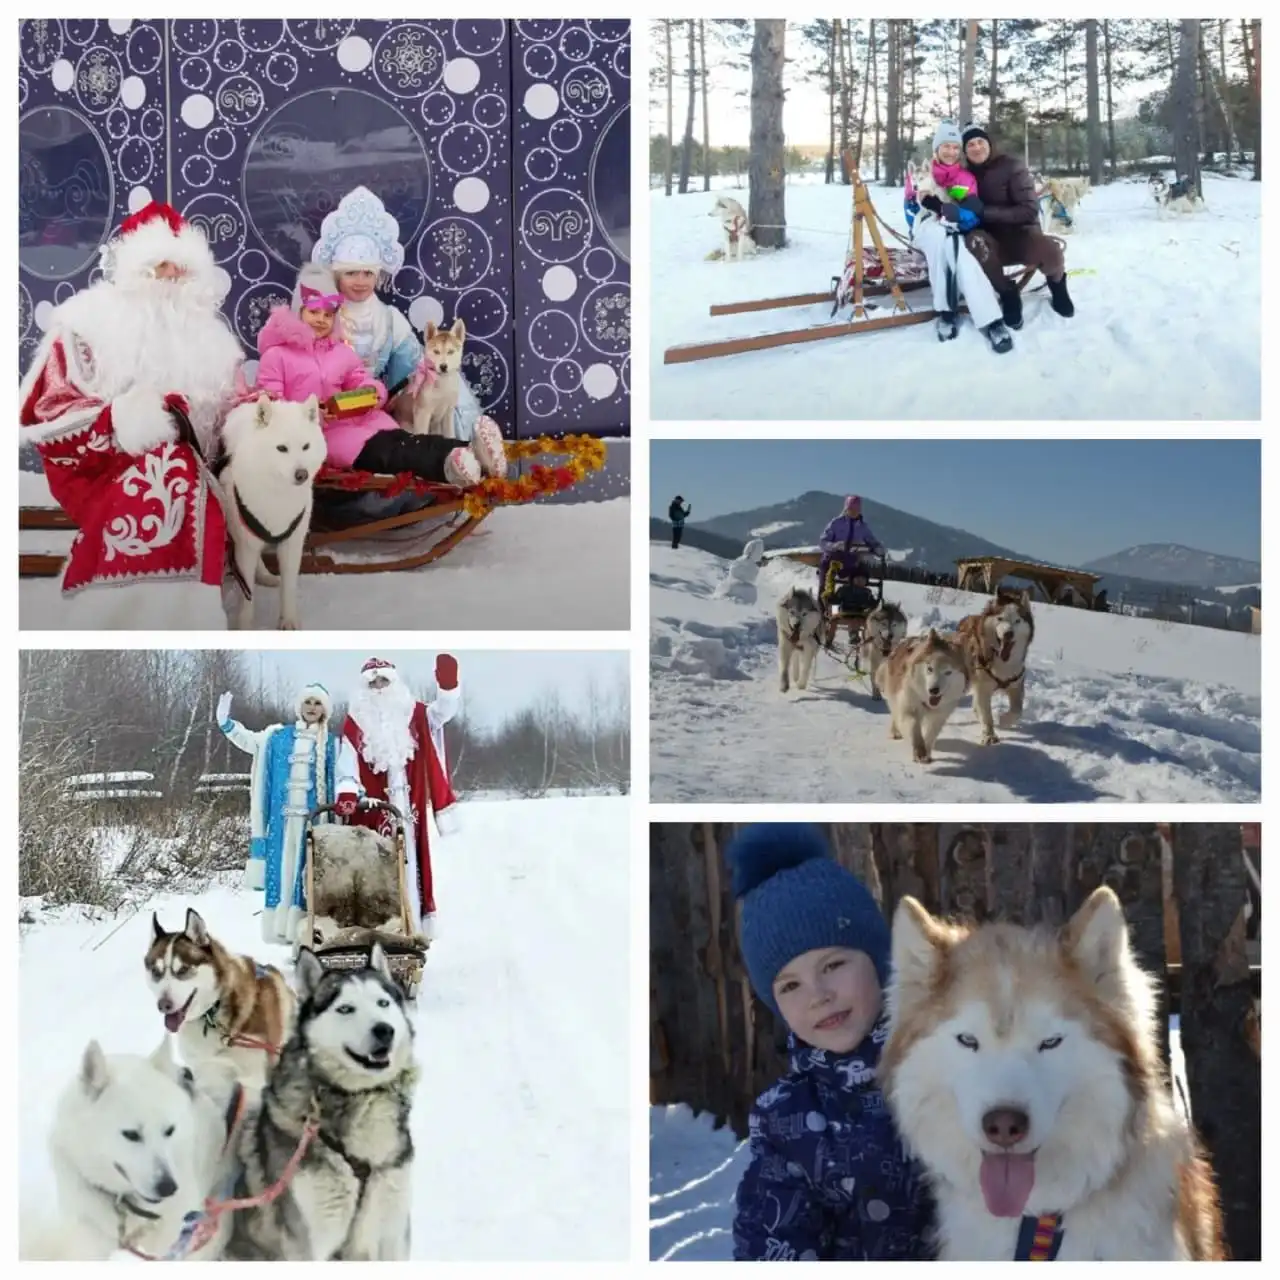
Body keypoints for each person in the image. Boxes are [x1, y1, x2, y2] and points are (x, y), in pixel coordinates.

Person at [18, 202, 245, 627]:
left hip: (195, 466)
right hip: (102, 464)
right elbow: (48, 407)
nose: (173, 278)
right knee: (171, 469)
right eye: (163, 267)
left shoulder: (211, 338)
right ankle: (133, 615)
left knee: (185, 470)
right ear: (137, 271)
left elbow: (237, 407)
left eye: (183, 269)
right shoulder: (89, 322)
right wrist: (125, 418)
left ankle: (184, 609)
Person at [728, 824, 931, 1260]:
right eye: (789, 986)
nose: (818, 994)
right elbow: (773, 1232)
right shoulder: (785, 1117)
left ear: (878, 961)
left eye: (834, 964)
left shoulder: (945, 1068)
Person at [257, 263, 500, 487]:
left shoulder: (341, 351)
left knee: (404, 440)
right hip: (322, 436)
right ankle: (450, 464)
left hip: (364, 419)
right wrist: (309, 416)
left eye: (328, 314)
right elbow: (272, 408)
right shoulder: (277, 356)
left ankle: (473, 453)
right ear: (298, 311)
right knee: (389, 453)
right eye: (314, 312)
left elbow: (359, 377)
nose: (321, 320)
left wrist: (372, 392)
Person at [310, 186, 486, 442]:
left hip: (370, 406)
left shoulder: (389, 318)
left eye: (368, 273)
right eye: (351, 273)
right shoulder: (324, 316)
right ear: (337, 275)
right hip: (328, 409)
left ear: (377, 276)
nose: (360, 281)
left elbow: (415, 369)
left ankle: (465, 450)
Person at [334, 656, 460, 942]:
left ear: (394, 683)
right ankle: (379, 934)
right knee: (375, 870)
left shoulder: (413, 712)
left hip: (407, 805)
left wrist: (448, 688)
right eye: (373, 683)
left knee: (410, 864)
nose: (379, 687)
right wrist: (346, 790)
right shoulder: (356, 720)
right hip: (372, 811)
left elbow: (442, 714)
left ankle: (411, 929)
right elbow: (347, 760)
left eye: (384, 681)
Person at [217, 684, 340, 945]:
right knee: (283, 875)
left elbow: (342, 779)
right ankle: (283, 932)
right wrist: (227, 724)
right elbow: (250, 742)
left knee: (309, 877)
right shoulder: (277, 737)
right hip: (281, 825)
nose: (311, 708)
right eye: (307, 702)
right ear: (299, 705)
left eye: (317, 703)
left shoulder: (332, 743)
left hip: (314, 824)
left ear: (325, 710)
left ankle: (308, 935)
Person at [905, 123, 1012, 354]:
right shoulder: (923, 172)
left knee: (962, 256)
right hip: (927, 225)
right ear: (937, 148)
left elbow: (969, 209)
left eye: (956, 147)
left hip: (953, 226)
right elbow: (914, 201)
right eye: (946, 146)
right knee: (937, 238)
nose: (951, 152)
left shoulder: (963, 177)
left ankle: (991, 319)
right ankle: (946, 310)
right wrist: (930, 204)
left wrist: (961, 213)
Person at [960, 123, 1075, 327]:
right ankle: (1008, 292)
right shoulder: (963, 176)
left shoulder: (1012, 166)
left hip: (1021, 234)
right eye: (970, 144)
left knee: (1051, 251)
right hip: (990, 240)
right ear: (965, 151)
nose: (976, 148)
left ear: (989, 144)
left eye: (980, 142)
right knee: (974, 242)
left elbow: (1029, 209)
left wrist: (984, 211)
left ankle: (1057, 285)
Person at [818, 495, 884, 614]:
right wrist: (834, 546)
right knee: (825, 584)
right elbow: (823, 542)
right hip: (831, 560)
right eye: (851, 509)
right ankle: (824, 610)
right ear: (846, 509)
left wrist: (877, 548)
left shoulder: (862, 527)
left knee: (860, 579)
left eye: (856, 510)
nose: (853, 512)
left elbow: (871, 540)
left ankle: (857, 608)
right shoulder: (836, 523)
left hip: (850, 562)